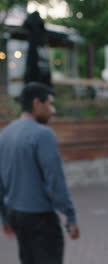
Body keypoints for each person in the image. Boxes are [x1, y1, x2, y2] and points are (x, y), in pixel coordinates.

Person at [0, 82, 80, 264]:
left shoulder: (5, 133)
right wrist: (70, 216)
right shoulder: (43, 134)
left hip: (16, 215)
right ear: (37, 103)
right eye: (50, 104)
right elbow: (55, 180)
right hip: (40, 218)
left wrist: (4, 217)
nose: (53, 111)